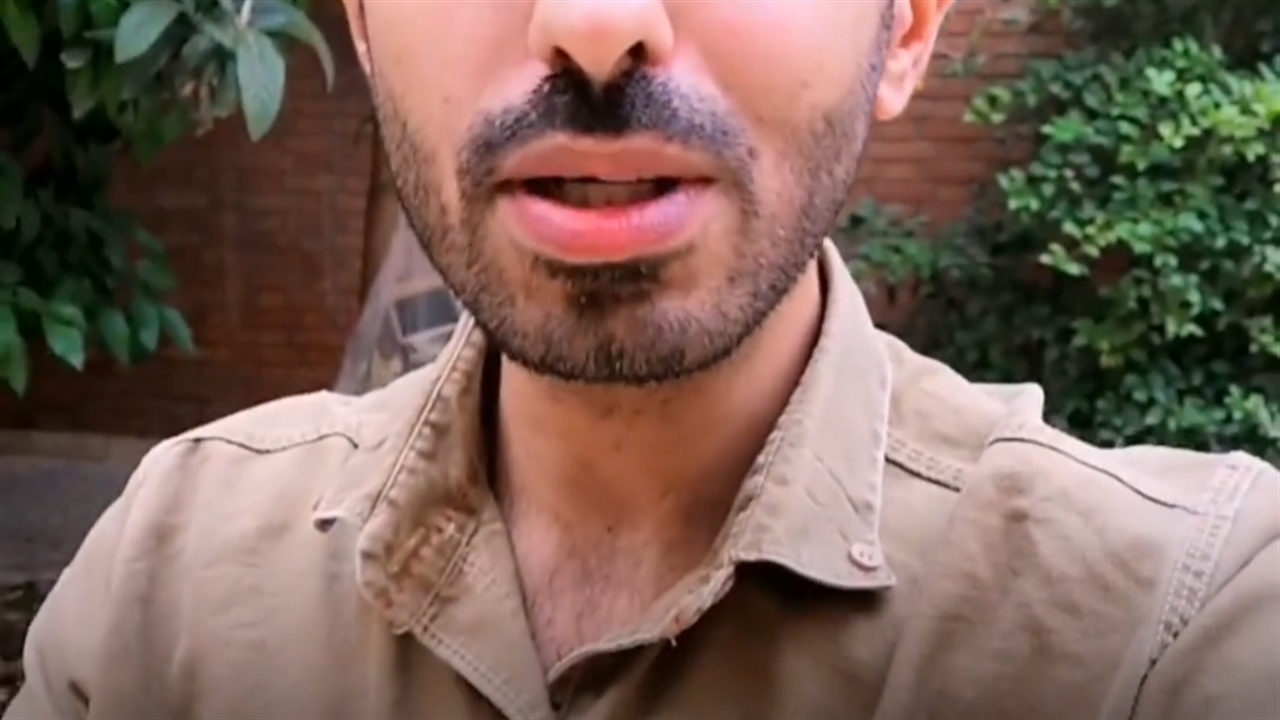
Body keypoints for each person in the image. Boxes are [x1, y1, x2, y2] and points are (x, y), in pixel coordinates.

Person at [6, 0, 1278, 718]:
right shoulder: (168, 586)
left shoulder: (1171, 634)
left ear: (904, 29)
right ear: (367, 27)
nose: (595, 25)